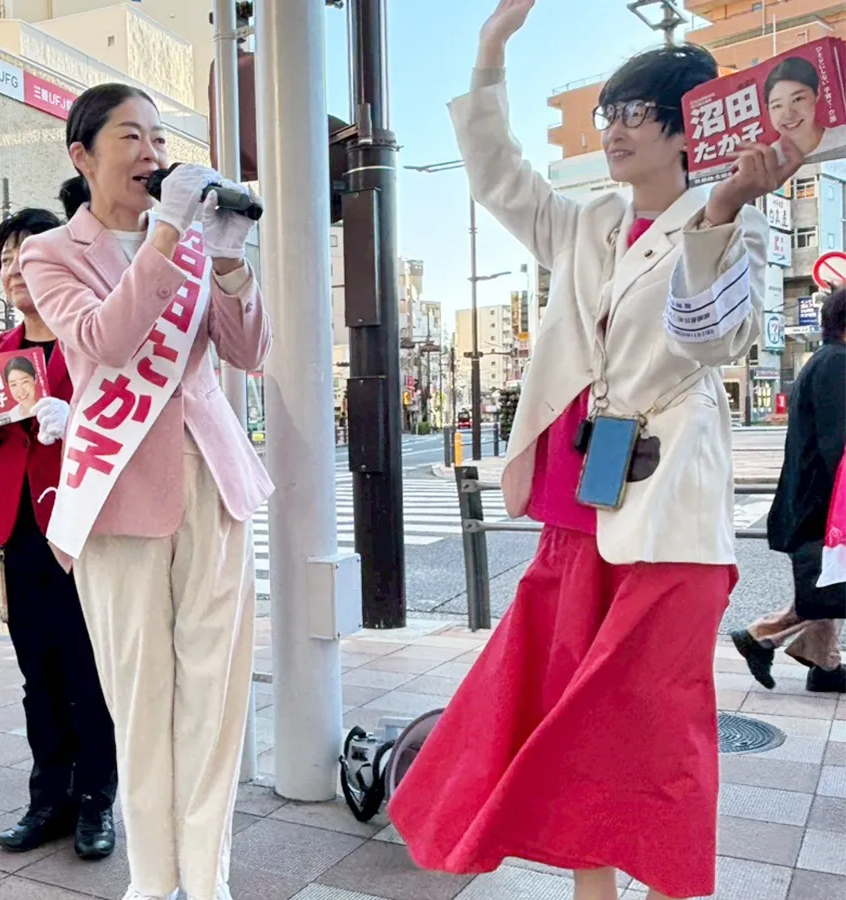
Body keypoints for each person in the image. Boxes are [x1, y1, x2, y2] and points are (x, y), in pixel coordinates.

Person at [387, 3, 798, 900]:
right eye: (610, 112)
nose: (614, 129)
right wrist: (491, 50)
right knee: (570, 711)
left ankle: (671, 885)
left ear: (686, 130)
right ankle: (592, 892)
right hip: (579, 502)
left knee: (652, 722)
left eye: (635, 114)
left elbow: (714, 340)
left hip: (670, 516)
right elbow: (498, 177)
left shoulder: (737, 221)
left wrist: (722, 211)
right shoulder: (590, 224)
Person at [19, 83, 272, 900]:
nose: (152, 153)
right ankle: (154, 878)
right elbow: (106, 340)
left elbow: (248, 352)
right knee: (141, 694)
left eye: (159, 137)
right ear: (82, 155)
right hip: (117, 492)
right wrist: (168, 232)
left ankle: (207, 877)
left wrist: (228, 261)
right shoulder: (52, 252)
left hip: (214, 483)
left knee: (214, 693)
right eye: (131, 136)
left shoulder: (193, 243)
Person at [0, 207, 118, 859]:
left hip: (83, 529)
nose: (15, 269)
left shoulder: (92, 341)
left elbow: (119, 427)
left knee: (89, 672)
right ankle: (48, 798)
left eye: (27, 254)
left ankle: (97, 800)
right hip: (18, 530)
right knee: (38, 674)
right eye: (5, 259)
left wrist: (74, 418)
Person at [734, 287, 846, 693]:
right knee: (827, 587)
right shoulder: (836, 365)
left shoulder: (825, 360)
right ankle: (759, 635)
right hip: (822, 504)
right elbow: (838, 444)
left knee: (829, 584)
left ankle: (826, 667)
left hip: (812, 500)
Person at [765, 55, 846, 162]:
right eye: (777, 106)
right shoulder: (768, 162)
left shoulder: (842, 136)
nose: (789, 115)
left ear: (817, 92)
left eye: (797, 99)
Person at [3, 355, 41, 420]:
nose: (21, 391)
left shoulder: (48, 406)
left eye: (25, 382)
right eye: (13, 385)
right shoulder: (12, 415)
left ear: (35, 379)